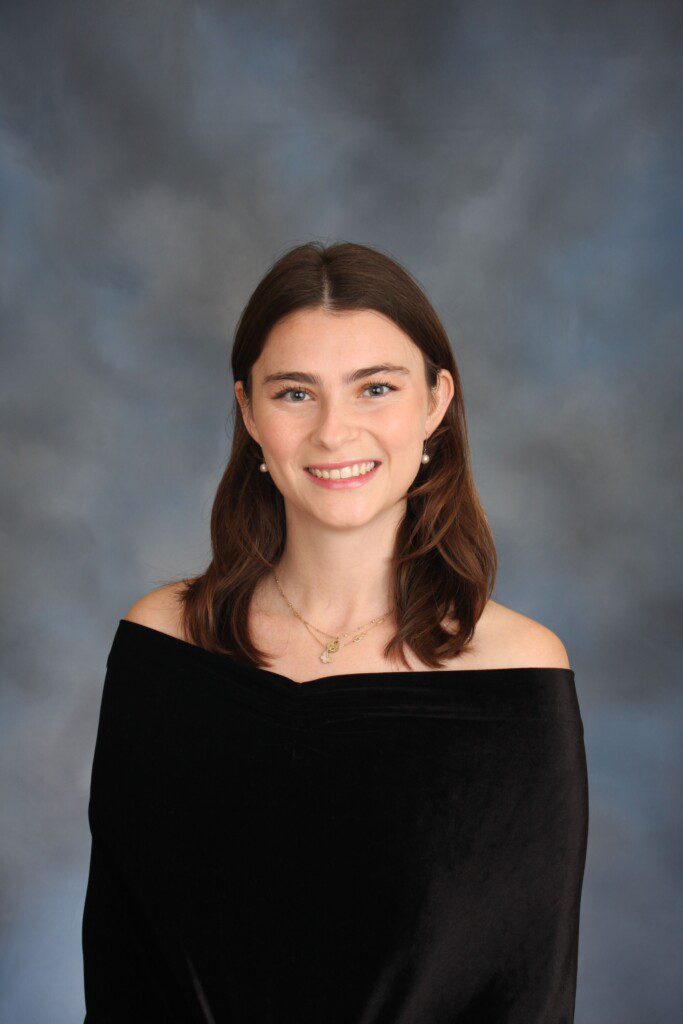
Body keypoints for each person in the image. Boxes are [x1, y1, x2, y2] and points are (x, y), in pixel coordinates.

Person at [82, 241, 588, 1023]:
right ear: (248, 411)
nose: (333, 431)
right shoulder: (162, 645)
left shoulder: (517, 675)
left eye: (374, 388)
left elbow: (524, 993)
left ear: (434, 404)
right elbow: (123, 971)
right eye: (294, 394)